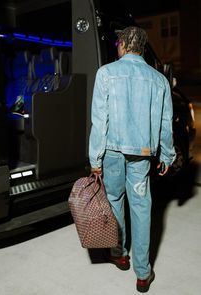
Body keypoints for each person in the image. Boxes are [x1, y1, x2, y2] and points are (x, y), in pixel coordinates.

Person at [89, 26, 176, 293]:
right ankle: (142, 273)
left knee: (114, 200)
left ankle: (119, 253)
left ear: (124, 45)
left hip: (113, 153)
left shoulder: (106, 73)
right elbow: (165, 123)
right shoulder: (158, 79)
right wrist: (167, 154)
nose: (117, 46)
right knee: (140, 208)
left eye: (118, 42)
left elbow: (99, 121)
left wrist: (95, 158)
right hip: (142, 154)